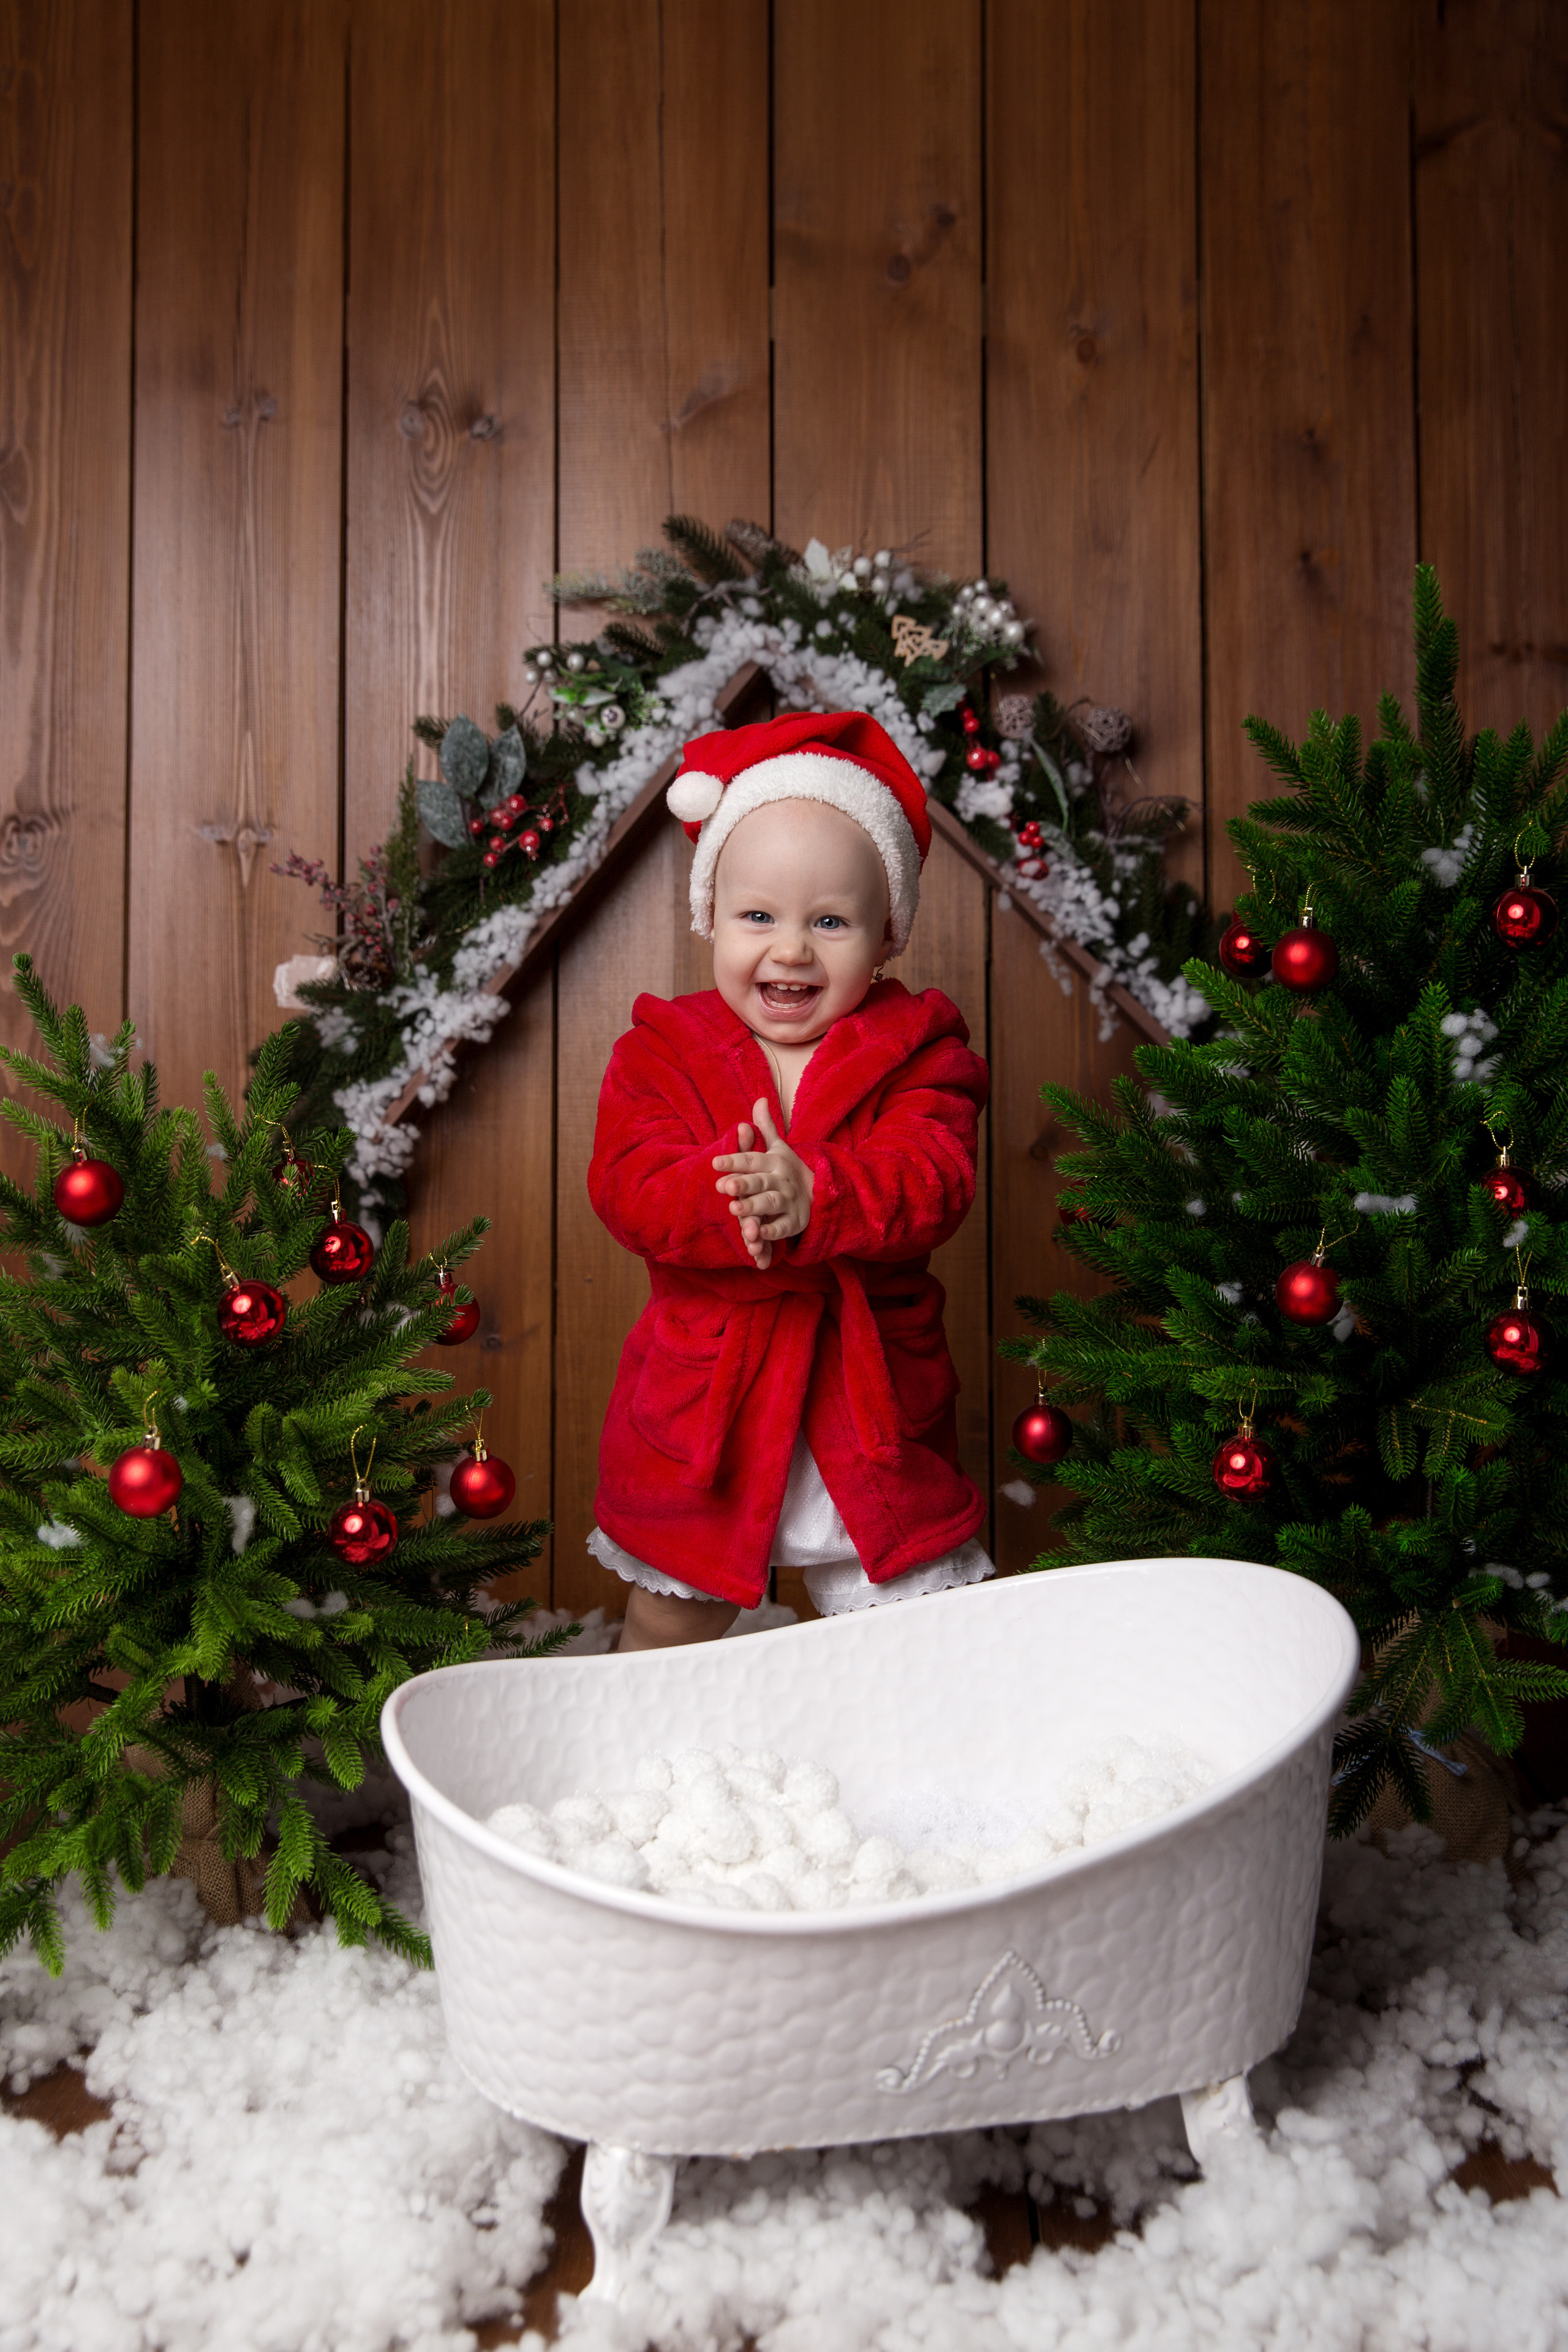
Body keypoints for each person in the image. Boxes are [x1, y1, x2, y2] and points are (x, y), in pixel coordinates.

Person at [586, 709, 993, 1650]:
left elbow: (935, 1173)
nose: (791, 949)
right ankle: (645, 1761)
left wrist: (818, 1193)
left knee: (912, 1630)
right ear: (711, 917)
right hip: (712, 1403)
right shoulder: (663, 1050)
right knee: (670, 1620)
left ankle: (908, 1769)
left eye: (831, 921)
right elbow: (630, 1182)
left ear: (888, 934)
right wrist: (734, 1200)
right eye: (758, 917)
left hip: (868, 1399)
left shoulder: (920, 1048)